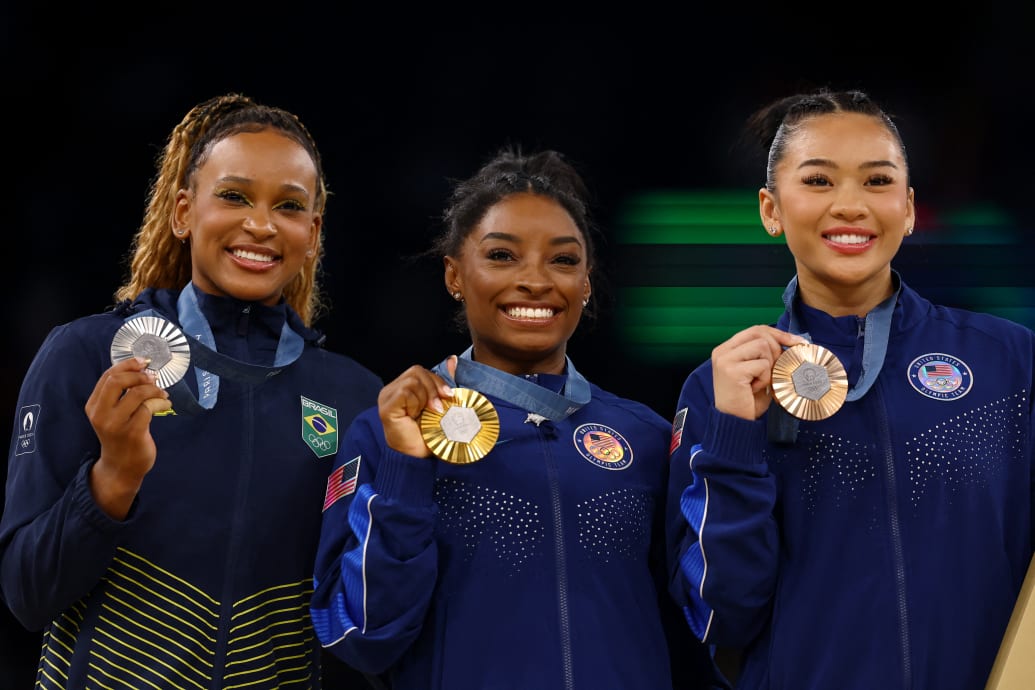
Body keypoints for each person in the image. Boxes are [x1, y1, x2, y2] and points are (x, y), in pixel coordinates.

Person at [0, 93, 385, 689]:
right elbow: (27, 594)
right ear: (183, 212)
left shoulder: (353, 396)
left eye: (287, 206)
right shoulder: (85, 355)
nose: (259, 223)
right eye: (233, 196)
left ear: (312, 233)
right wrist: (113, 479)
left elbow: (364, 620)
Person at [311, 146, 729, 689]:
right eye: (502, 256)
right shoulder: (389, 431)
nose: (536, 280)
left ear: (586, 282)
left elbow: (709, 630)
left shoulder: (646, 437)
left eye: (563, 259)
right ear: (454, 274)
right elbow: (361, 637)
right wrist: (405, 471)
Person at [665, 87, 1035, 690]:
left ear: (910, 208)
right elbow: (720, 616)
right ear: (770, 209)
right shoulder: (722, 388)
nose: (850, 205)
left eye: (877, 181)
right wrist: (734, 437)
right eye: (817, 181)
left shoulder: (1009, 364)